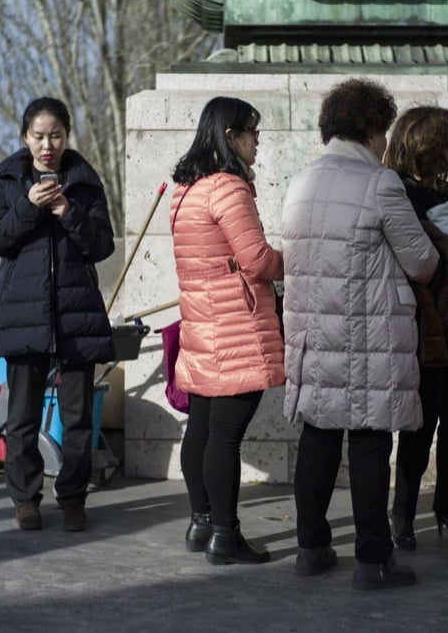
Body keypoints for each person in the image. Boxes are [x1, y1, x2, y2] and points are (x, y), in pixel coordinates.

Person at [282, 78, 438, 591]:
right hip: (368, 335)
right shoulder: (380, 184)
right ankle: (373, 561)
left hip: (314, 334)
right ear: (373, 128)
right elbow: (421, 261)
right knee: (370, 445)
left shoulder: (300, 181)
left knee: (318, 440)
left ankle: (311, 548)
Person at [0, 96, 115, 533]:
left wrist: (65, 211)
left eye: (55, 135)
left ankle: (74, 498)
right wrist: (30, 206)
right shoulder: (7, 182)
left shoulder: (84, 183)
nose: (47, 144)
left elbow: (101, 246)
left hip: (75, 315)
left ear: (66, 137)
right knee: (21, 417)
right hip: (24, 317)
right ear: (25, 137)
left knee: (77, 418)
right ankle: (25, 499)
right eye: (38, 136)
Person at [170, 96, 284, 565]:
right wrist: (296, 260)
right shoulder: (229, 188)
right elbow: (257, 260)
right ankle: (225, 534)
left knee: (200, 429)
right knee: (226, 437)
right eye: (252, 131)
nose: (258, 140)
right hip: (235, 326)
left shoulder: (185, 189)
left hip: (201, 324)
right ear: (230, 136)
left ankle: (201, 523)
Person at [382, 106, 448, 550]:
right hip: (423, 327)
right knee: (419, 426)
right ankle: (402, 512)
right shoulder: (399, 194)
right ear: (428, 147)